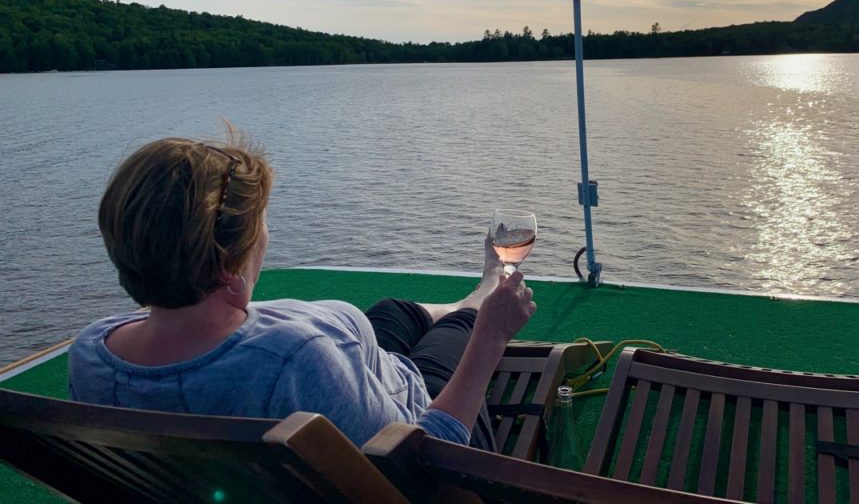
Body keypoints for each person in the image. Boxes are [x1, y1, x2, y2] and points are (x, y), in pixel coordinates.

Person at [68, 130, 536, 450]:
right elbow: (425, 459)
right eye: (262, 224)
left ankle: (468, 300)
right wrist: (490, 337)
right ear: (228, 264)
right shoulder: (293, 362)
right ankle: (482, 300)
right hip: (419, 410)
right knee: (457, 332)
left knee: (393, 312)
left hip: (357, 363)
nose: (266, 237)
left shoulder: (91, 351)